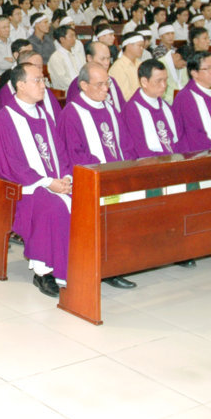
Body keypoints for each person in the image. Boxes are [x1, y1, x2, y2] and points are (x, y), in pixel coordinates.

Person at [0, 63, 72, 297]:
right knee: (53, 207)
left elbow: (60, 151)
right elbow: (10, 165)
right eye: (37, 80)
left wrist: (65, 176)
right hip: (25, 188)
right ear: (21, 85)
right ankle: (43, 272)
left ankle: (78, 262)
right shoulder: (5, 119)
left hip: (53, 181)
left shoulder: (43, 114)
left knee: (87, 198)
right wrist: (47, 182)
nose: (43, 85)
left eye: (43, 80)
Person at [58, 62, 136, 289]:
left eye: (107, 83)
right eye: (100, 84)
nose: (106, 89)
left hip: (117, 175)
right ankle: (106, 267)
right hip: (91, 179)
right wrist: (107, 174)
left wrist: (128, 169)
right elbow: (74, 156)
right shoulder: (72, 114)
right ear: (83, 85)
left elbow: (126, 143)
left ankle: (121, 262)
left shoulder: (110, 108)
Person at [108, 32, 145, 102]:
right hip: (129, 105)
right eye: (139, 46)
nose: (142, 49)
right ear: (128, 45)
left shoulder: (140, 64)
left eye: (143, 46)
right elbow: (125, 97)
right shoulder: (118, 67)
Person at [48, 25, 84, 91]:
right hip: (66, 91)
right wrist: (80, 85)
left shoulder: (78, 54)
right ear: (62, 39)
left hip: (83, 87)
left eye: (75, 36)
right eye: (71, 36)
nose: (74, 38)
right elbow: (62, 79)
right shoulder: (56, 57)